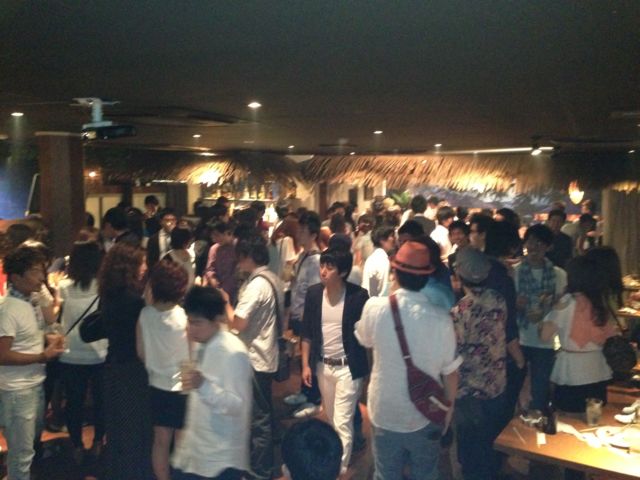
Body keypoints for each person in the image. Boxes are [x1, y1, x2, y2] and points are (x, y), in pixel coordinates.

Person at [355, 241, 461, 480]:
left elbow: (364, 339)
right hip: (425, 412)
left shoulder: (375, 308)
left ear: (395, 272)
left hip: (384, 410)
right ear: (427, 276)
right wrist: (448, 412)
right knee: (425, 474)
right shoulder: (441, 319)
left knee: (385, 474)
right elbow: (451, 373)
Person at [81, 242, 153, 479]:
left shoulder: (110, 296)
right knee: (133, 430)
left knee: (117, 429)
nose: (145, 267)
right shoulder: (134, 303)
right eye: (141, 263)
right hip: (132, 371)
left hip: (113, 367)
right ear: (129, 267)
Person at [172, 286, 252, 480]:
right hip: (197, 453)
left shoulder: (233, 352)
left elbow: (237, 405)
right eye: (189, 321)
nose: (191, 328)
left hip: (220, 459)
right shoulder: (204, 345)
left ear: (217, 320)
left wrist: (202, 385)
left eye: (197, 323)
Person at [220, 235, 283, 480]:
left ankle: (259, 471)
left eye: (240, 257)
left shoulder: (256, 285)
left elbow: (238, 322)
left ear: (248, 257)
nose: (238, 262)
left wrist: (226, 302)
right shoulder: (272, 278)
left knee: (258, 418)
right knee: (262, 413)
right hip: (267, 354)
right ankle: (263, 465)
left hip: (256, 357)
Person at [301, 248, 369, 473]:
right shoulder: (314, 294)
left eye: (330, 268)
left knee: (342, 422)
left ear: (343, 272)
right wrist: (305, 365)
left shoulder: (358, 296)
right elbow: (307, 333)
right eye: (322, 265)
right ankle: (333, 465)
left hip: (348, 368)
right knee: (331, 419)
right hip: (323, 365)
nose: (323, 271)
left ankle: (339, 470)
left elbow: (366, 335)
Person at [0, 245, 65, 480]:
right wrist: (42, 356)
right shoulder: (8, 309)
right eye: (36, 272)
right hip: (17, 391)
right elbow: (3, 355)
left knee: (26, 450)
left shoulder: (31, 301)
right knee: (22, 454)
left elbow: (28, 336)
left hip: (33, 385)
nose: (41, 277)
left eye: (42, 271)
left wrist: (47, 339)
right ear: (17, 277)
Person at [451, 247, 507, 480]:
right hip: (496, 385)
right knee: (491, 444)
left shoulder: (460, 310)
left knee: (470, 452)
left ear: (459, 275)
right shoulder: (498, 300)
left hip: (470, 390)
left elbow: (454, 350)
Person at [540, 256, 616, 413]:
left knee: (568, 417)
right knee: (594, 417)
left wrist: (547, 311)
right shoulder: (599, 302)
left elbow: (544, 336)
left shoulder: (566, 302)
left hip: (572, 370)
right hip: (598, 367)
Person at [137, 261, 190, 480]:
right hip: (182, 387)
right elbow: (192, 356)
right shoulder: (184, 318)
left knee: (160, 441)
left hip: (156, 385)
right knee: (182, 442)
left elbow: (141, 352)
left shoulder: (145, 315)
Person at [57, 241, 106, 464]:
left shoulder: (64, 286)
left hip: (70, 353)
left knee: (74, 402)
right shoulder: (104, 287)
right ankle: (97, 443)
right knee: (100, 402)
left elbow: (58, 317)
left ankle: (76, 445)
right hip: (99, 353)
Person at [515, 224, 567, 411]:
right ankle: (516, 421)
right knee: (515, 385)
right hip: (519, 337)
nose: (534, 247)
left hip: (545, 340)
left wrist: (554, 304)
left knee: (540, 387)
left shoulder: (559, 275)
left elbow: (563, 308)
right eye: (530, 242)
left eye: (540, 243)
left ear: (548, 247)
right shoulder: (515, 272)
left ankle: (538, 418)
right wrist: (516, 304)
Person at [284, 211, 323, 418]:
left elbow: (315, 293)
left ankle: (314, 399)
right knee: (302, 356)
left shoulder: (316, 260)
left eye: (303, 231)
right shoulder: (303, 256)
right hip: (299, 314)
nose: (298, 234)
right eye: (299, 230)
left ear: (313, 234)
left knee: (311, 357)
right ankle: (305, 391)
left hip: (309, 316)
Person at [204, 220, 239, 305]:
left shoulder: (237, 247)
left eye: (217, 235)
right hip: (217, 290)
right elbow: (209, 268)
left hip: (234, 291)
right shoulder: (214, 248)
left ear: (227, 233)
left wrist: (225, 288)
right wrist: (212, 279)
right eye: (212, 236)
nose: (214, 239)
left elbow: (237, 271)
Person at [361, 225, 395, 297]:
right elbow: (383, 290)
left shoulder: (372, 257)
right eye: (392, 236)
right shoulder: (382, 260)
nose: (394, 239)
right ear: (382, 240)